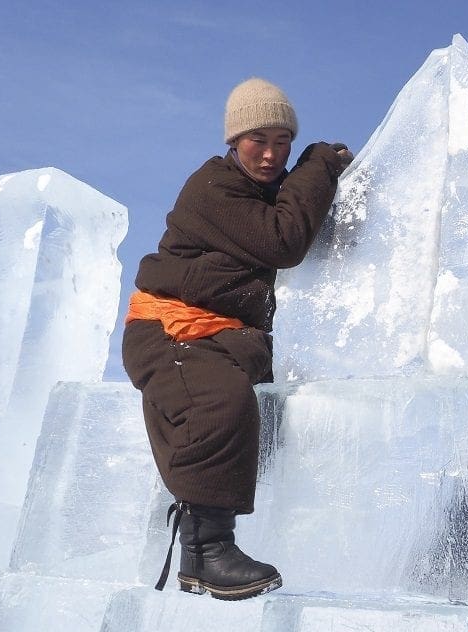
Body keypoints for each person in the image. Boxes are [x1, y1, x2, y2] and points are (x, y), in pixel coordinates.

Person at [122, 77, 352, 600]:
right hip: (169, 328)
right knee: (219, 400)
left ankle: (209, 557)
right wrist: (317, 167)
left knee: (261, 399)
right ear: (233, 142)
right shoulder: (213, 186)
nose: (271, 154)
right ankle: (208, 553)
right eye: (257, 141)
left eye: (283, 142)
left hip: (224, 334)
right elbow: (283, 240)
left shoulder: (262, 193)